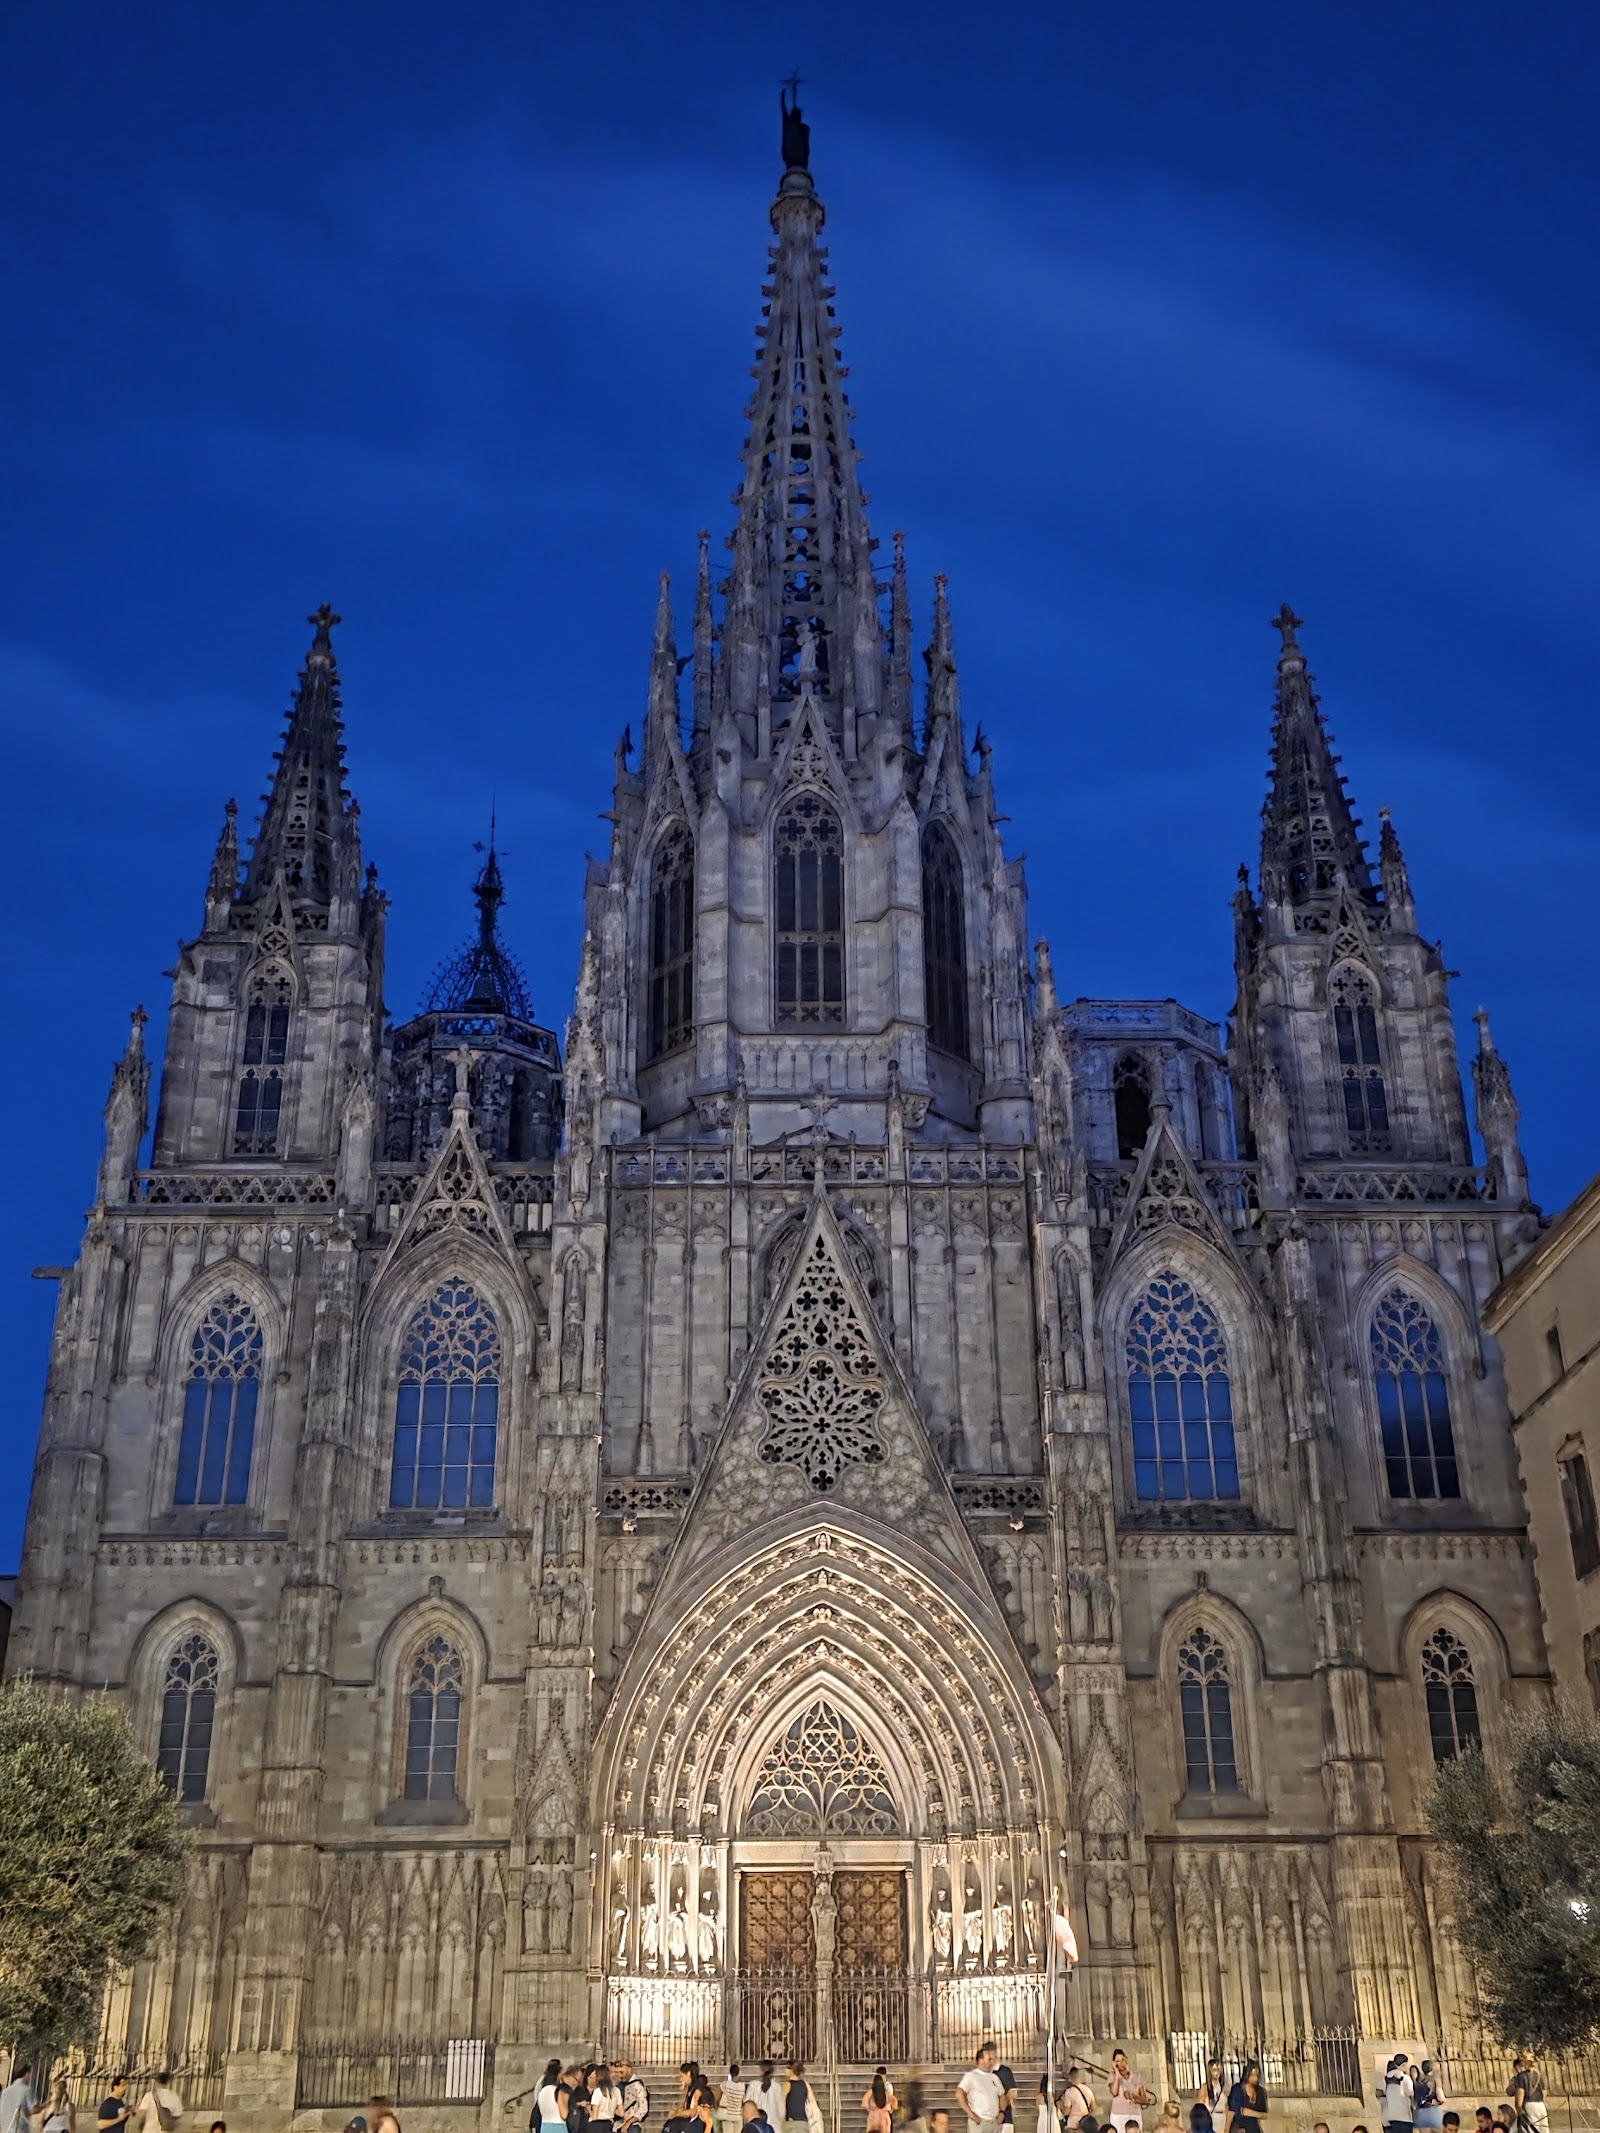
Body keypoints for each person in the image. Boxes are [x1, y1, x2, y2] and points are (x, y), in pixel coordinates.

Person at [958, 2045, 1007, 2133]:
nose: (992, 2062)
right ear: (981, 2060)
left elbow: (1002, 2095)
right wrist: (971, 2114)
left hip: (994, 2121)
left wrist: (1002, 2113)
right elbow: (959, 2093)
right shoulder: (970, 2076)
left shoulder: (994, 2077)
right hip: (979, 2122)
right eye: (989, 2059)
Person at [1107, 2054, 1151, 2133]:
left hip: (1134, 2114)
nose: (1121, 2063)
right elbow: (1114, 2092)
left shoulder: (1137, 2077)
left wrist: (1132, 2096)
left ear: (1126, 2060)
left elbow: (1145, 2100)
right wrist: (1117, 2074)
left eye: (1122, 2060)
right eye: (1118, 2061)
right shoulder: (1112, 2076)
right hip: (1118, 2115)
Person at [1225, 2061, 1266, 2133]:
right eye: (1253, 2075)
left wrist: (1246, 2111)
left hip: (1254, 2129)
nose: (1255, 2078)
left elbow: (1264, 2114)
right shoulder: (1237, 2089)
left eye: (1257, 2075)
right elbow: (1232, 2111)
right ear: (1247, 2074)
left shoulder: (1260, 2091)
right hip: (1239, 2128)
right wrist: (1226, 2129)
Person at [1510, 2057, 1547, 2133]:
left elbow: (1521, 2092)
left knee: (1532, 2129)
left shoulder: (1521, 2076)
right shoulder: (1538, 2075)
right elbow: (1544, 2091)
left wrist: (1519, 2107)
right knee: (1544, 2129)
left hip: (1529, 2104)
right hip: (1540, 2104)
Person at [1378, 2060, 1413, 2133]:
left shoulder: (1384, 2079)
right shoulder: (1405, 2078)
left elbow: (1378, 2093)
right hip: (1403, 2118)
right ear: (1403, 2065)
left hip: (1388, 2119)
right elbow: (1410, 2094)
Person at [534, 2064, 568, 2133]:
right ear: (558, 2076)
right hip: (558, 2127)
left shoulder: (541, 2092)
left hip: (545, 2127)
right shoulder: (558, 2092)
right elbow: (564, 2114)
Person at [1413, 2066, 1443, 2133]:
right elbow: (1441, 2098)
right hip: (1433, 2113)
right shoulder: (1435, 2080)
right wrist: (1438, 2102)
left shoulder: (1417, 2082)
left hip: (1420, 2114)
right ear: (1432, 2069)